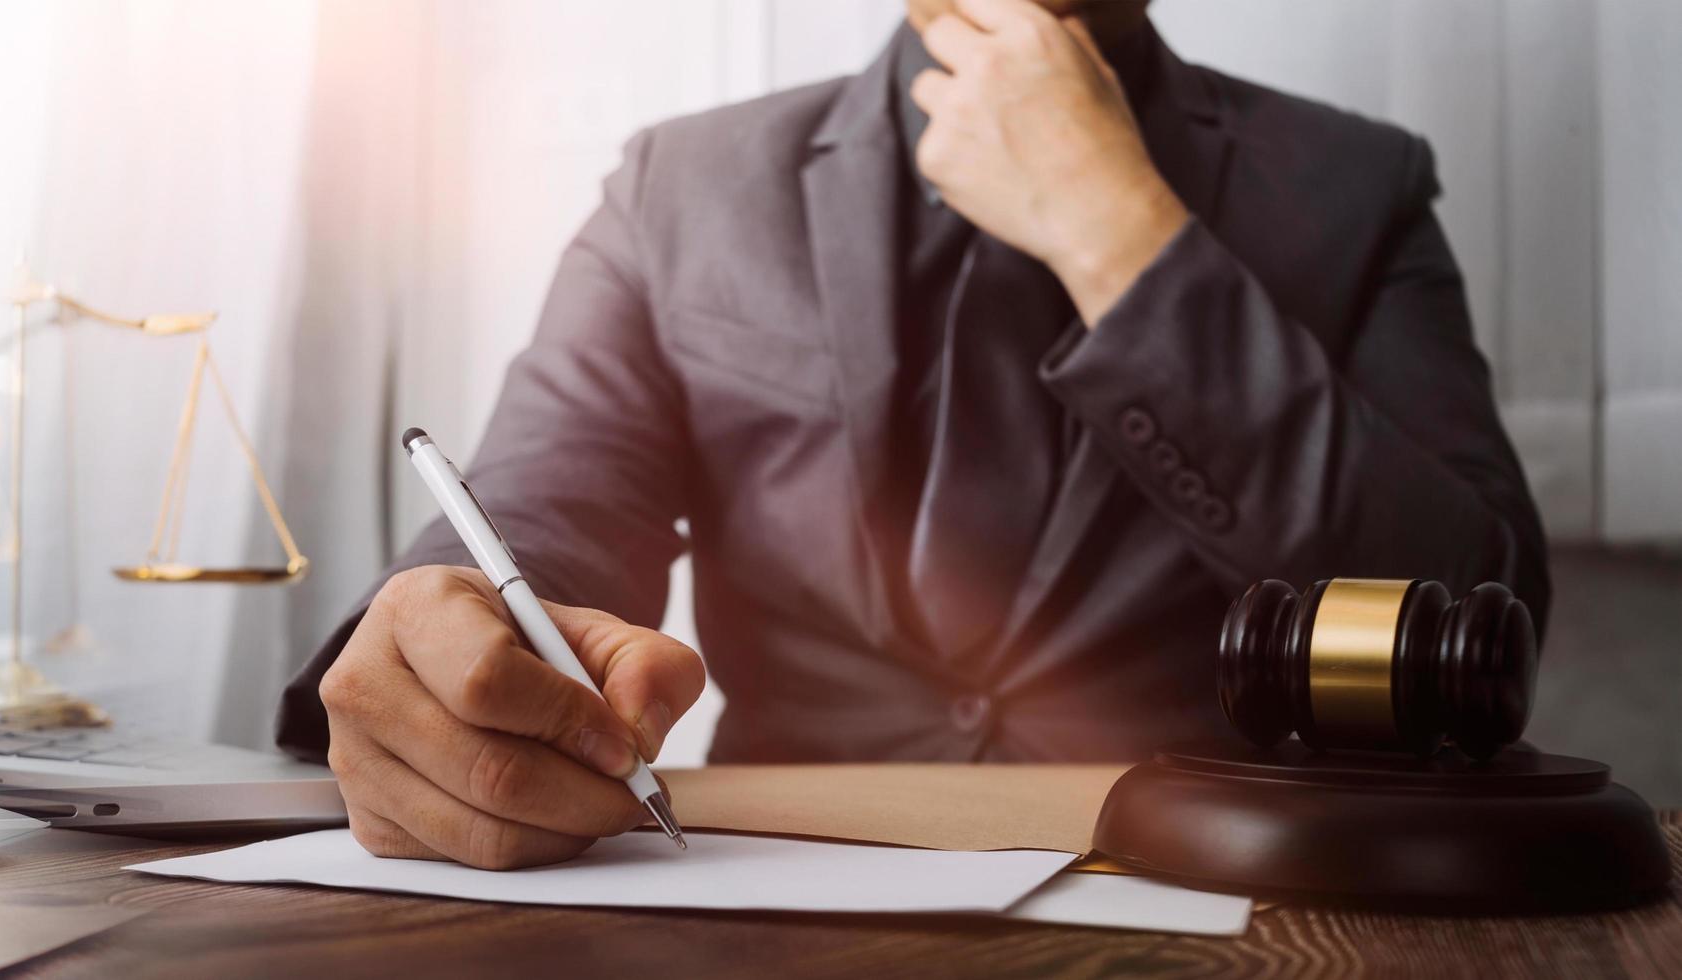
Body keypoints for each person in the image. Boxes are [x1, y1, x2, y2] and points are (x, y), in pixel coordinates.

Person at [276, 0, 1549, 869]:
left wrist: (1119, 230)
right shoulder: (681, 187)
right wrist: (441, 640)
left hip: (1211, 889)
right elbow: (538, 512)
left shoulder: (1357, 185)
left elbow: (1471, 621)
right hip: (767, 888)